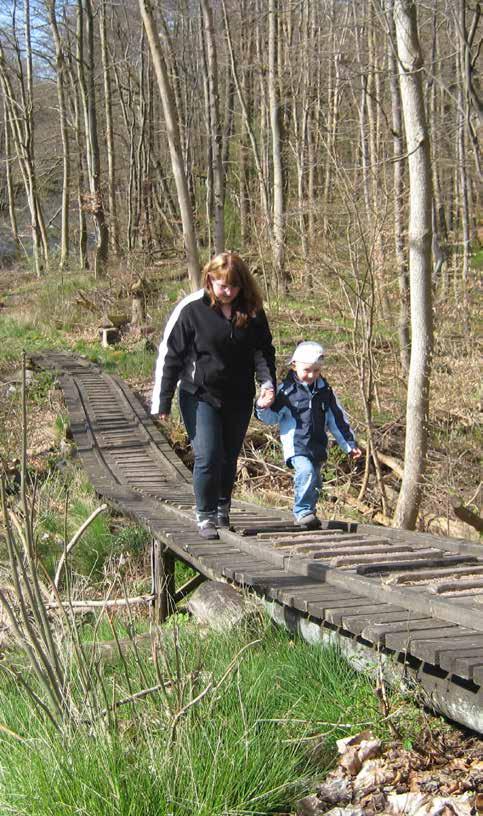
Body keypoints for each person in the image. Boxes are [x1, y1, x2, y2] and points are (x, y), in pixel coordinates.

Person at [151, 251, 276, 540]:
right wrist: (162, 399)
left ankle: (222, 508)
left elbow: (263, 351)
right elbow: (170, 354)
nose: (228, 292)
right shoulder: (192, 309)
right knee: (209, 455)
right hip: (199, 394)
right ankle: (205, 515)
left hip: (238, 395)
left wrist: (268, 385)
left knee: (229, 457)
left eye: (234, 287)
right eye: (223, 285)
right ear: (210, 279)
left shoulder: (253, 311)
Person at [255, 341, 361, 529]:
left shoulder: (325, 392)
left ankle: (308, 514)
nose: (311, 375)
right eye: (307, 370)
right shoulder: (286, 392)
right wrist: (262, 407)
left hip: (318, 446)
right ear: (294, 365)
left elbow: (337, 420)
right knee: (306, 472)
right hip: (296, 446)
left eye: (317, 371)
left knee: (316, 481)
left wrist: (349, 444)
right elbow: (272, 418)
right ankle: (302, 511)